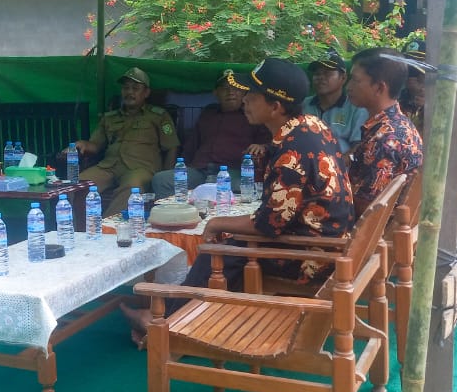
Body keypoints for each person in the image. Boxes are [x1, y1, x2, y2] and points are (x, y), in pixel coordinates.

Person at [122, 58, 354, 343]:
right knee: (229, 244)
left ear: (275, 107)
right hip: (324, 240)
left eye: (251, 96)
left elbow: (269, 224)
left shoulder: (291, 153)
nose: (244, 100)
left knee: (217, 251)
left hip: (311, 257)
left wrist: (218, 222)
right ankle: (181, 316)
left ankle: (162, 324)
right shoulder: (310, 125)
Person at [150, 69, 268, 199]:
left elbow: (268, 144)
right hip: (200, 169)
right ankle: (178, 212)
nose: (230, 92)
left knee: (239, 187)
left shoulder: (251, 115)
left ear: (244, 92)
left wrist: (261, 146)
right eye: (224, 88)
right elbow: (191, 145)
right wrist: (183, 167)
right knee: (161, 180)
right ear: (215, 93)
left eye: (236, 88)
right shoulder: (208, 113)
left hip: (232, 171)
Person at [75, 67, 179, 215]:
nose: (129, 92)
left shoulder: (158, 116)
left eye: (135, 88)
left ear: (146, 93)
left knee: (132, 188)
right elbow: (96, 144)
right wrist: (83, 144)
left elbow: (172, 147)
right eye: (126, 88)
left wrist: (163, 177)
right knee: (78, 185)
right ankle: (78, 226)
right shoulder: (109, 117)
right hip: (108, 167)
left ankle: (108, 226)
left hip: (140, 169)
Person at [345, 48, 424, 213]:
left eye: (355, 80)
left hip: (376, 226)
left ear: (379, 88)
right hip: (394, 221)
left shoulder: (384, 139)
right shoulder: (399, 123)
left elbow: (367, 208)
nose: (349, 86)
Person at [399, 39, 457, 134]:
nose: (411, 76)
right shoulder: (400, 98)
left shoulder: (451, 100)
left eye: (419, 71)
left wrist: (430, 109)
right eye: (409, 70)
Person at [302, 49, 367, 156]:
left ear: (343, 78)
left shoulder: (356, 108)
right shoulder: (303, 105)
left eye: (327, 74)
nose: (321, 77)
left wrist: (339, 162)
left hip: (341, 163)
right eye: (317, 74)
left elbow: (359, 146)